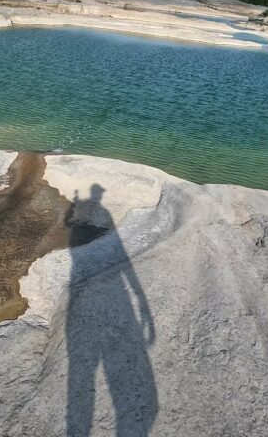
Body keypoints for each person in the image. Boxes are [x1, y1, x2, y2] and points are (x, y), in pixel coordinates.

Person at [65, 184, 158, 437]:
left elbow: (69, 225)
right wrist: (141, 304)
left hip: (84, 273)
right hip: (98, 281)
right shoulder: (102, 212)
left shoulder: (97, 212)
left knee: (80, 371)